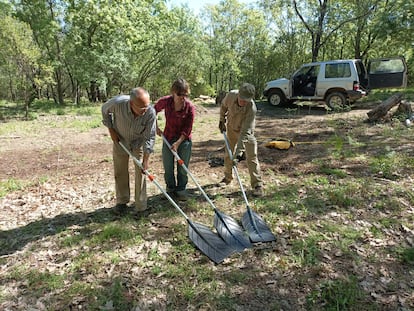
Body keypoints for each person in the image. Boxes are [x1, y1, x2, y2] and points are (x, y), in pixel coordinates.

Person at [101, 87, 156, 215]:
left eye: (146, 107)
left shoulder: (150, 112)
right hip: (120, 139)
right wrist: (111, 130)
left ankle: (141, 206)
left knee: (141, 172)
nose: (144, 111)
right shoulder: (118, 103)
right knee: (120, 171)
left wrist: (146, 160)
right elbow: (104, 109)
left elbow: (150, 137)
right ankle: (122, 202)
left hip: (138, 141)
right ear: (131, 103)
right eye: (141, 108)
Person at [218, 82, 263, 197]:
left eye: (246, 100)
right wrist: (221, 120)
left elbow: (245, 133)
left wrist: (238, 155)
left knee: (251, 157)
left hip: (246, 133)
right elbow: (223, 106)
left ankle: (257, 185)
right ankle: (227, 178)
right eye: (242, 99)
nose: (243, 102)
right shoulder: (231, 95)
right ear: (238, 94)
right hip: (231, 129)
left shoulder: (251, 108)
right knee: (228, 154)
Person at [154, 78, 195, 201]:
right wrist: (155, 127)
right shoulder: (166, 101)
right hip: (168, 137)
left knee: (182, 166)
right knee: (168, 166)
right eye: (179, 94)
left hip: (184, 141)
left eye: (185, 94)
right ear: (173, 92)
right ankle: (170, 189)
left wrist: (178, 143)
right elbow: (153, 110)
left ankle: (181, 189)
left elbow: (188, 128)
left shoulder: (189, 107)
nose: (182, 97)